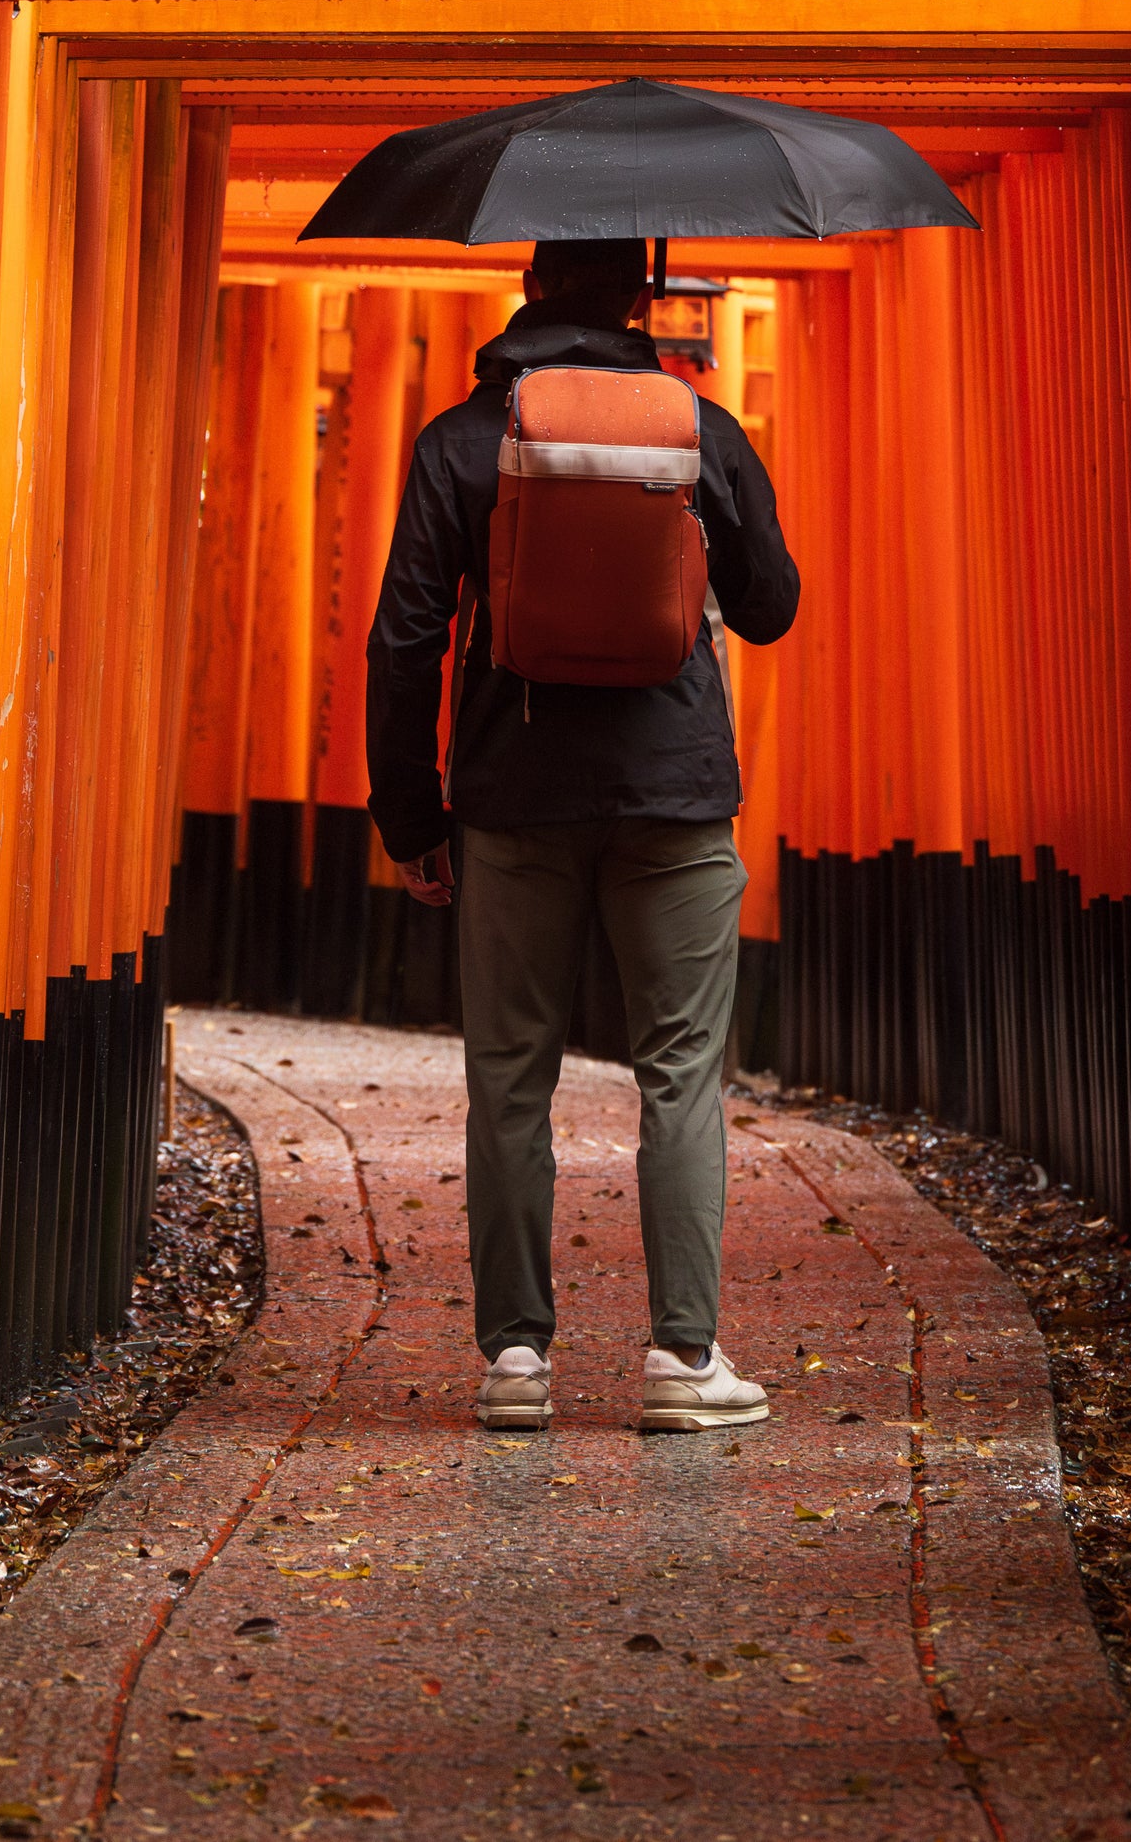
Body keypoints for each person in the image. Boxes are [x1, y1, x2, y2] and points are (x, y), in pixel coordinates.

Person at [365, 236, 801, 1433]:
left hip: (510, 799)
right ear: (640, 301)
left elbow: (404, 638)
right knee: (680, 1073)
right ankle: (682, 1355)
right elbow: (771, 608)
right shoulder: (699, 429)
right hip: (673, 796)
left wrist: (412, 815)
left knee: (510, 1077)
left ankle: (514, 1357)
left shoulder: (462, 441)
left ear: (527, 291)